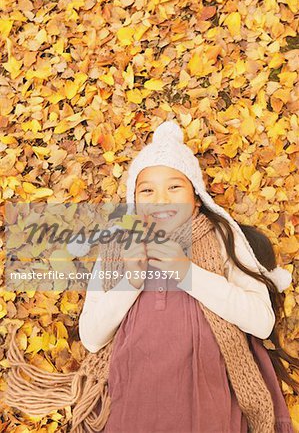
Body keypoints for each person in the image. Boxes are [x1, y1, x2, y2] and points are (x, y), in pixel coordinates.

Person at [78, 121, 296, 432]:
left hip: (209, 403)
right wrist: (132, 281)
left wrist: (188, 273)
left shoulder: (221, 236)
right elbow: (91, 337)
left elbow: (262, 322)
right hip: (134, 404)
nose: (161, 199)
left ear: (196, 198)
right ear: (135, 201)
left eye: (174, 187)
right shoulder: (118, 244)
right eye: (148, 190)